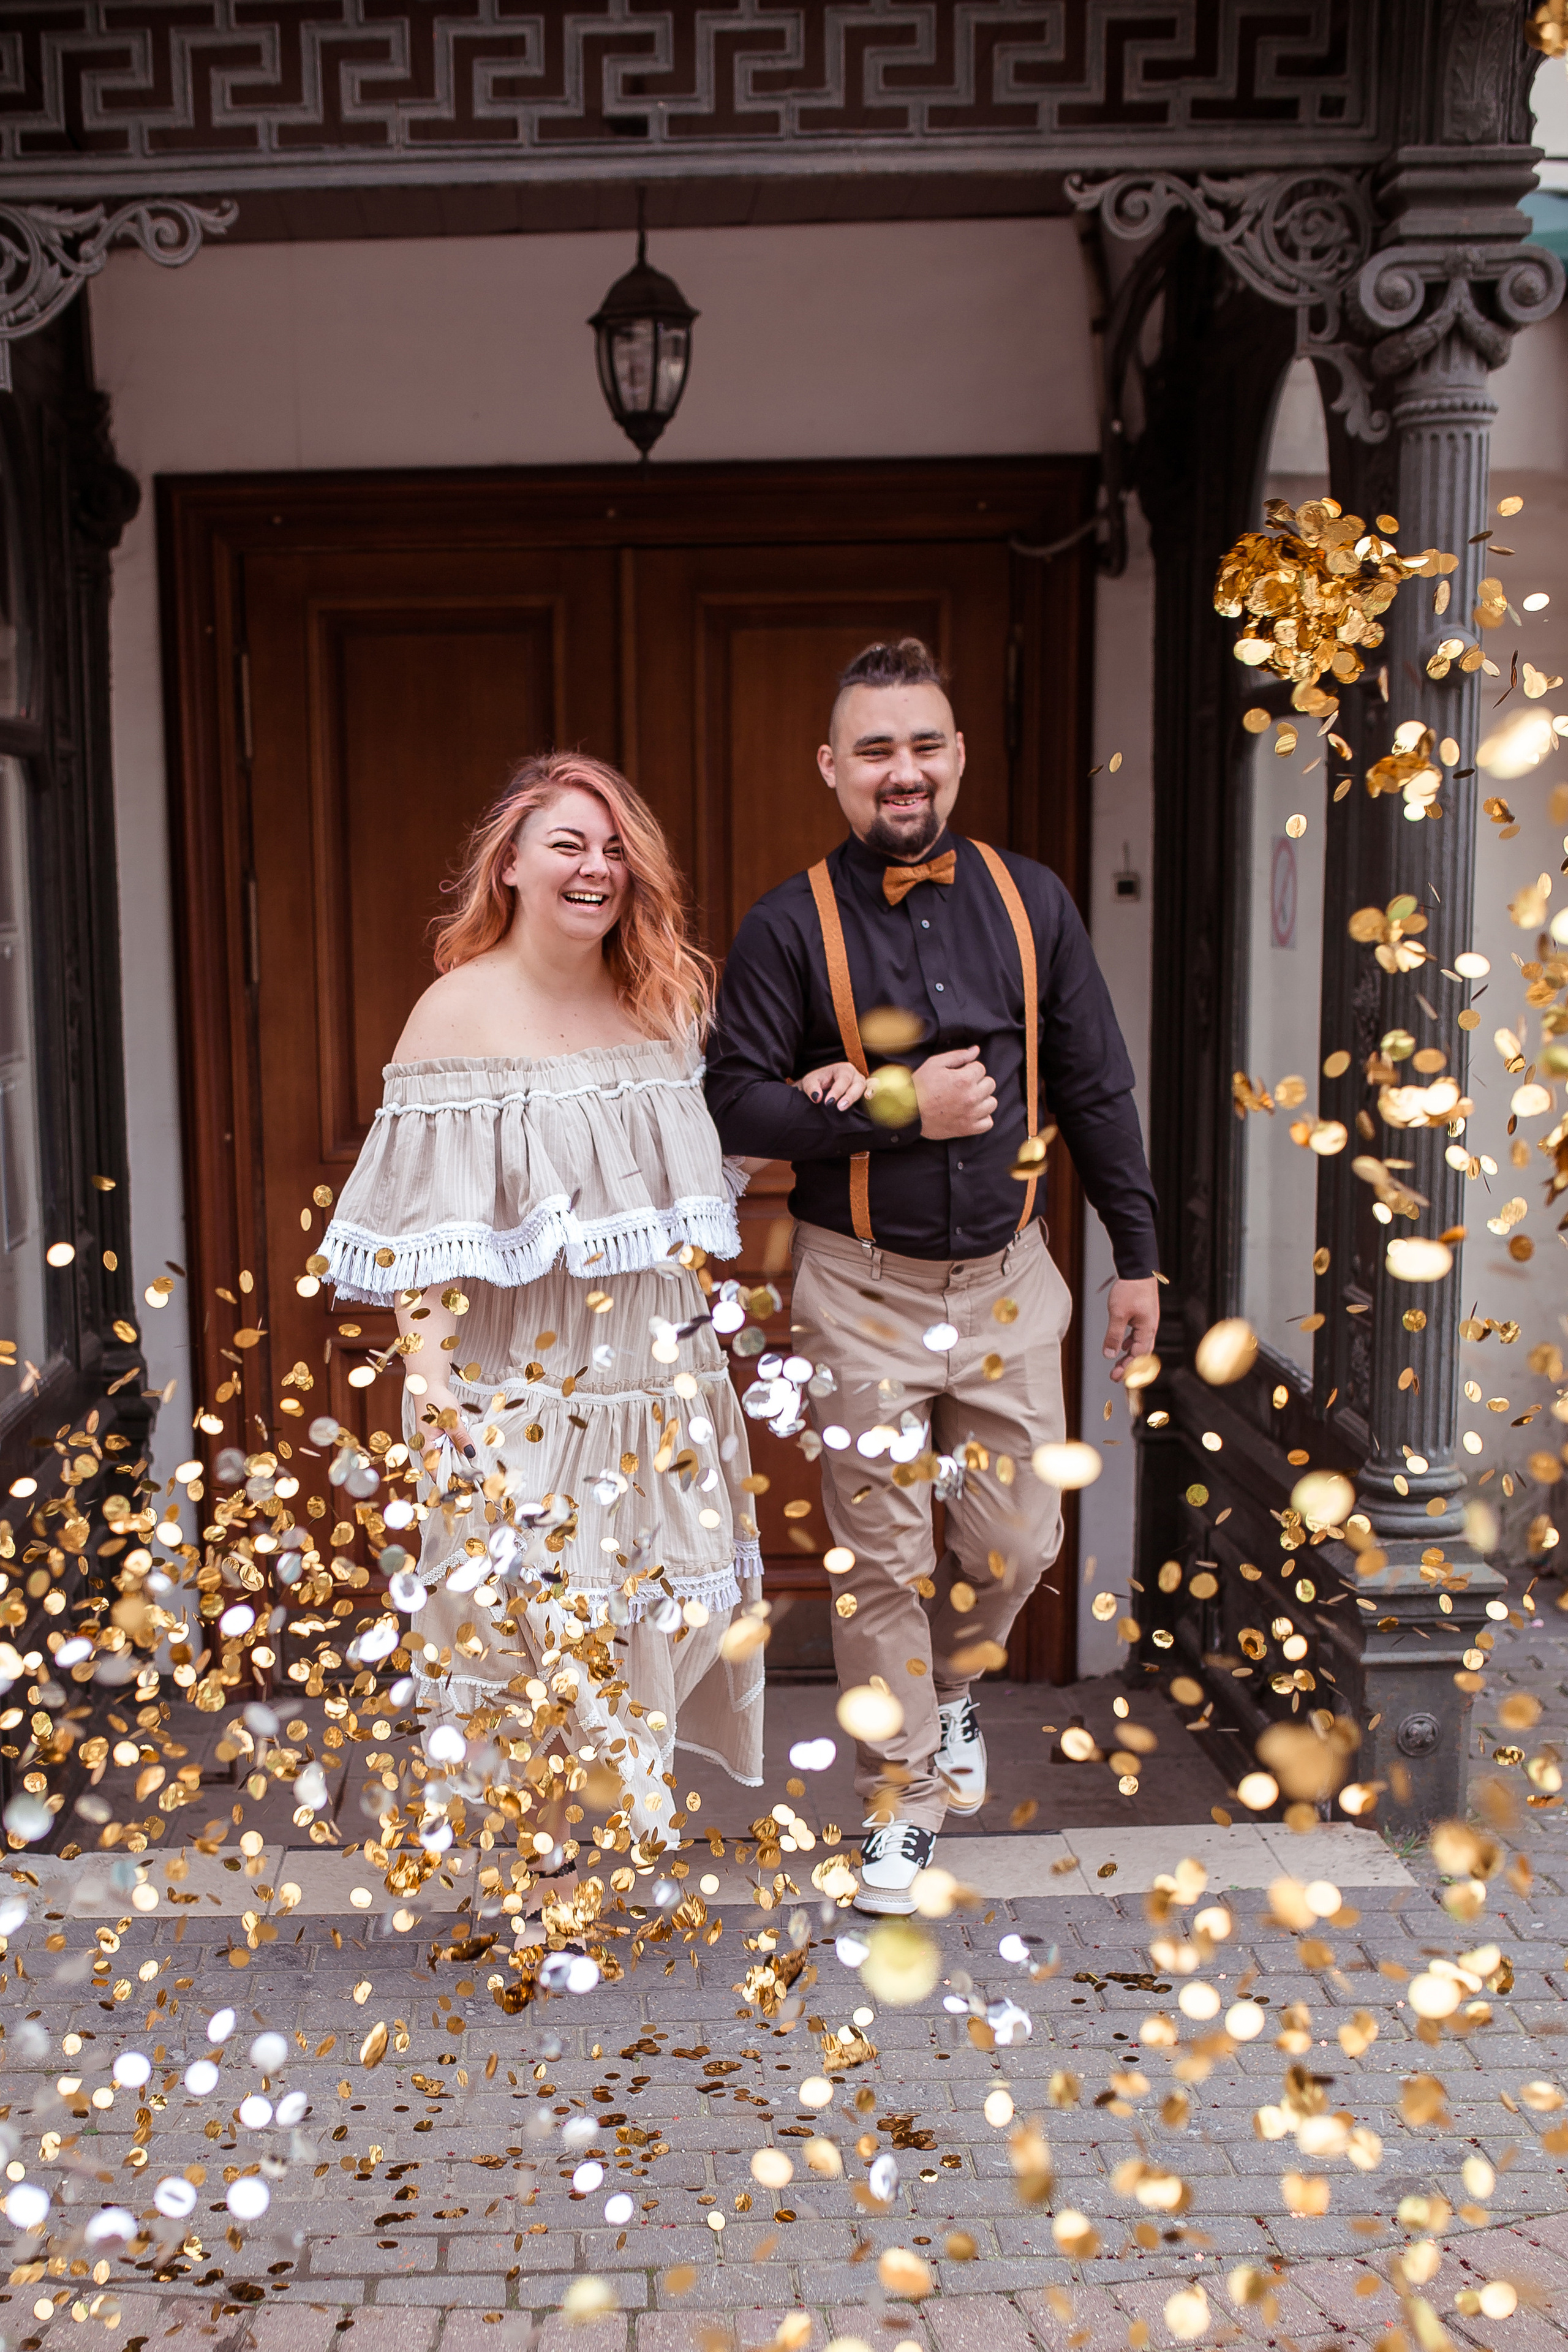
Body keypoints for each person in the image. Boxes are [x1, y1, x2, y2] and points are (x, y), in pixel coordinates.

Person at [706, 638, 1159, 1914]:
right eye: (873, 751)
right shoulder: (786, 925)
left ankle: (954, 1684)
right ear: (831, 770)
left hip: (1014, 1283)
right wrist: (896, 1108)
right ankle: (898, 1799)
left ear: (954, 755)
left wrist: (1139, 1256)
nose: (899, 773)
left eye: (921, 745)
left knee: (1016, 1542)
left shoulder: (1033, 901)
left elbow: (1095, 1086)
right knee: (878, 1559)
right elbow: (727, 1100)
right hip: (858, 1289)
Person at [321, 752, 764, 1883]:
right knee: (529, 1617)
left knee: (647, 1611)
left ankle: (609, 1823)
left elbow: (694, 1181)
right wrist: (429, 1382)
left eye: (615, 847)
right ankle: (545, 1860)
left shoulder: (659, 1001)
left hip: (654, 1375)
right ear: (509, 865)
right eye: (568, 843)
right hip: (519, 1379)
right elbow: (418, 1226)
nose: (596, 867)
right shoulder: (456, 1010)